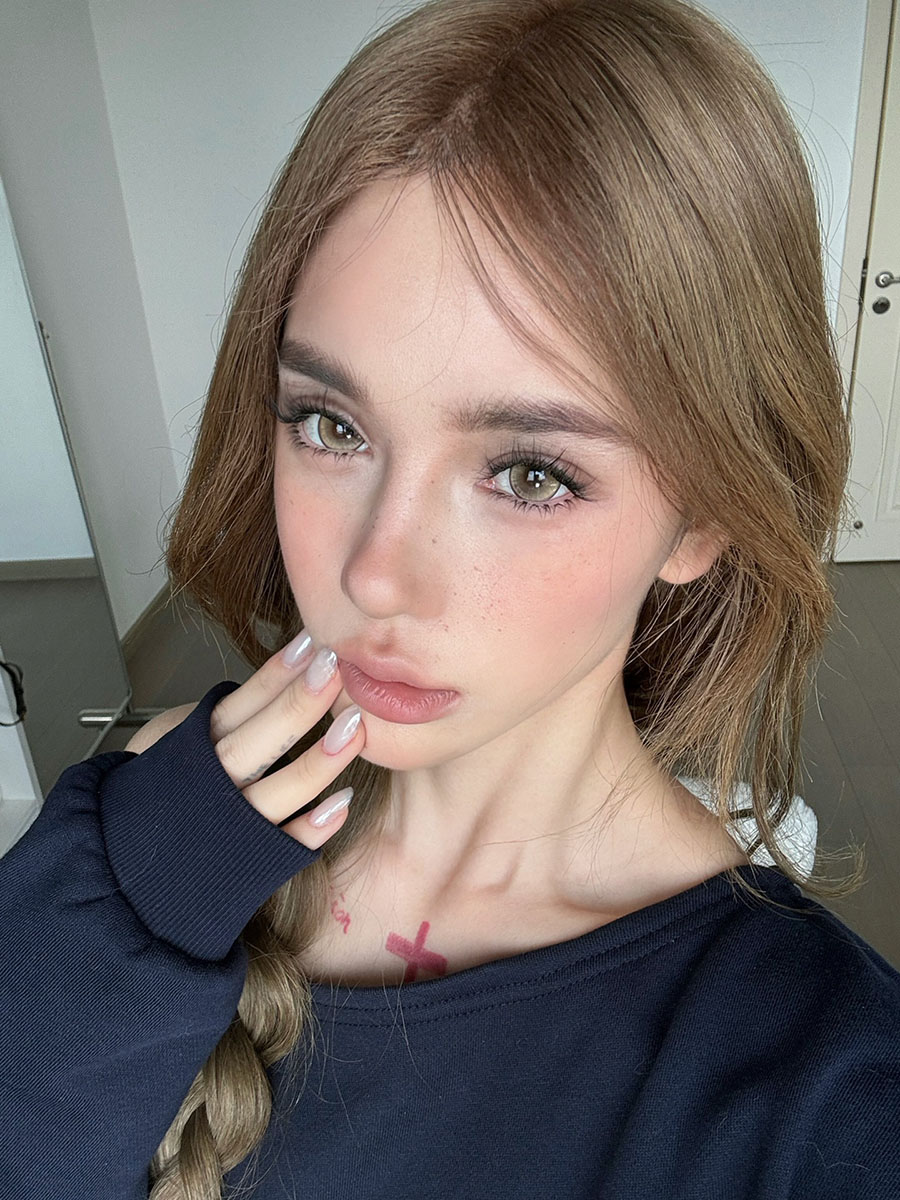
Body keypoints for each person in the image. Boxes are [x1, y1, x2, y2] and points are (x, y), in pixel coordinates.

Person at [1, 0, 898, 1196]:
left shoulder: (826, 1099)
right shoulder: (137, 827)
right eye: (331, 425)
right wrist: (126, 905)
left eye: (530, 474)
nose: (374, 573)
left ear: (704, 517)